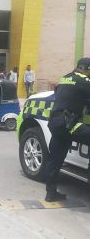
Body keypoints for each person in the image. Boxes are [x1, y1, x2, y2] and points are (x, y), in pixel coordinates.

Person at [45, 57, 90, 202]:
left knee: (55, 160)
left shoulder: (65, 78)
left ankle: (50, 194)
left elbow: (69, 96)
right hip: (68, 123)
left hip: (56, 122)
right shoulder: (84, 80)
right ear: (86, 69)